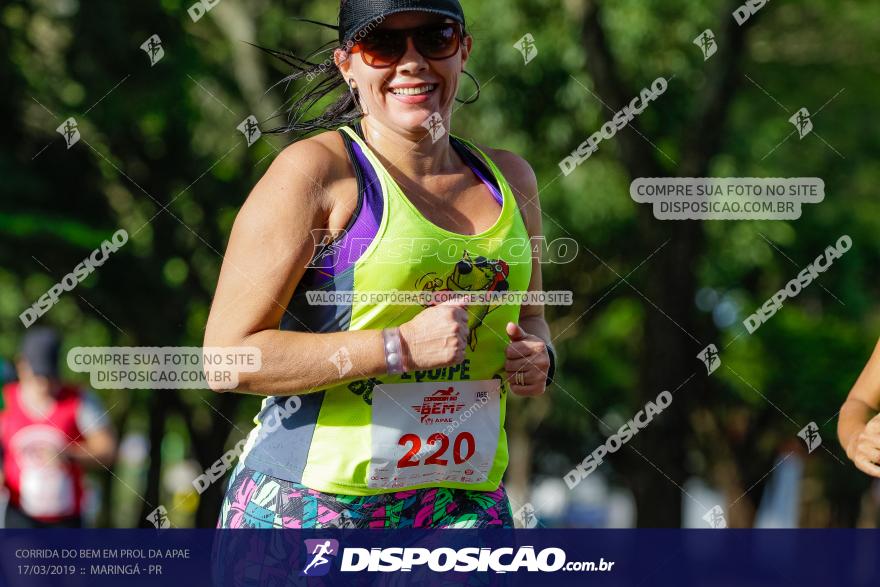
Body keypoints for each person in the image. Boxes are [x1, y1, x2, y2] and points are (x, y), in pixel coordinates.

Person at [206, 0, 556, 529]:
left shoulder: (511, 179)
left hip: (464, 508)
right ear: (348, 63)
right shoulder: (317, 174)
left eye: (434, 37)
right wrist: (398, 348)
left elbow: (532, 318)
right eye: (384, 44)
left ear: (464, 49)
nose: (412, 62)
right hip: (313, 509)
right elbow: (226, 359)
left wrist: (540, 358)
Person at [0, 327, 116, 528]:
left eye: (49, 375)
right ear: (21, 365)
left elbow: (107, 450)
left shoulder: (79, 400)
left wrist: (67, 454)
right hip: (20, 516)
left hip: (66, 520)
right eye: (37, 375)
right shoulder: (5, 400)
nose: (44, 383)